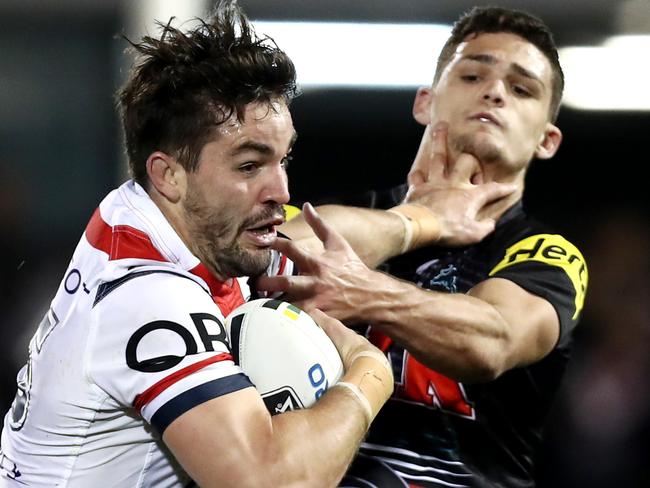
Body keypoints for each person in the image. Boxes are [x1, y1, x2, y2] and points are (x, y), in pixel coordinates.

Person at [0, 3, 401, 486]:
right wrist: (368, 374)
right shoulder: (150, 298)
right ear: (168, 174)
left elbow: (315, 234)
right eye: (249, 166)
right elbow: (269, 481)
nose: (282, 191)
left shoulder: (147, 215)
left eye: (283, 159)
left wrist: (419, 223)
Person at [259, 6, 589, 487]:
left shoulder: (544, 252)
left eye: (521, 89)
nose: (494, 91)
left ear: (548, 140)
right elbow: (262, 257)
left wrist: (366, 292)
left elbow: (490, 340)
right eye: (473, 74)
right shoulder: (341, 213)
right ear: (424, 103)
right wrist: (421, 221)